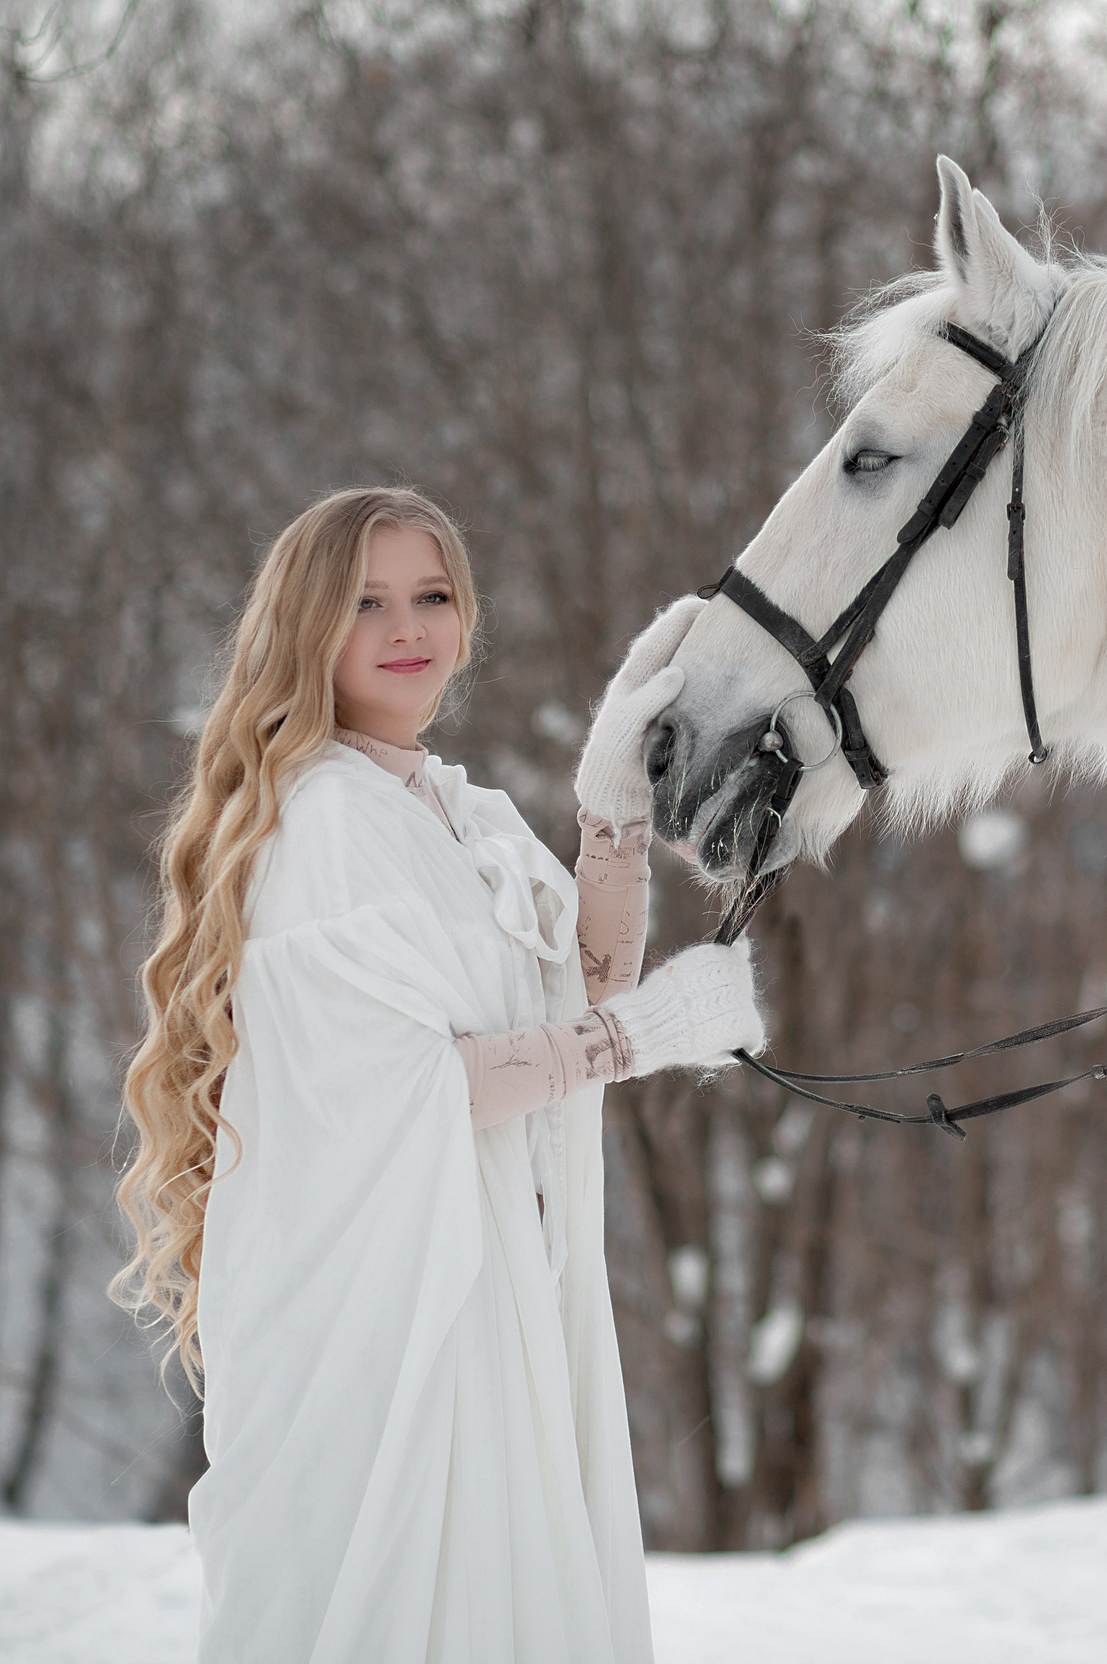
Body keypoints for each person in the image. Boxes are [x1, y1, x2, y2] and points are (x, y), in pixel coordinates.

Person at [113, 487, 762, 1662]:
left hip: (478, 1284)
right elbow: (418, 1088)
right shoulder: (323, 818)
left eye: (432, 595)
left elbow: (580, 985)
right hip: (383, 1319)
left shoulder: (456, 810)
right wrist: (646, 1036)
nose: (407, 627)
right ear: (306, 626)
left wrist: (612, 804)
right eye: (366, 603)